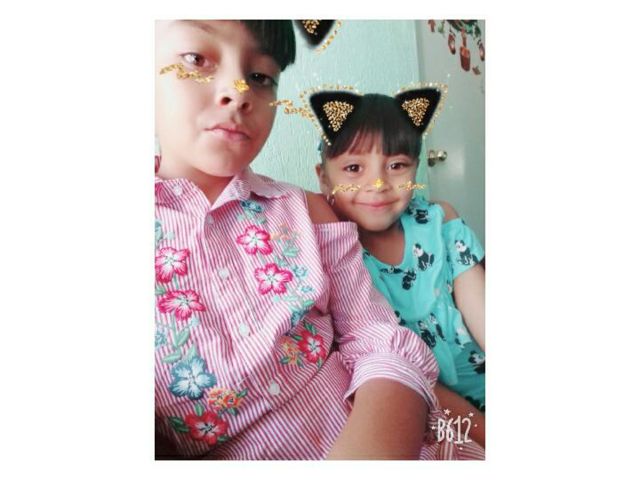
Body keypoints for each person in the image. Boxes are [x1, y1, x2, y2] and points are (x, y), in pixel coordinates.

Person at [154, 19, 483, 459]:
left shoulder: (308, 212)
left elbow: (380, 339)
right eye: (196, 59)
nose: (239, 91)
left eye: (261, 76)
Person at [312, 88, 486, 445]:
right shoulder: (332, 252)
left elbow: (484, 314)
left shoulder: (440, 220)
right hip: (422, 411)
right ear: (324, 177)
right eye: (353, 168)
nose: (377, 185)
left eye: (396, 166)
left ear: (416, 168)